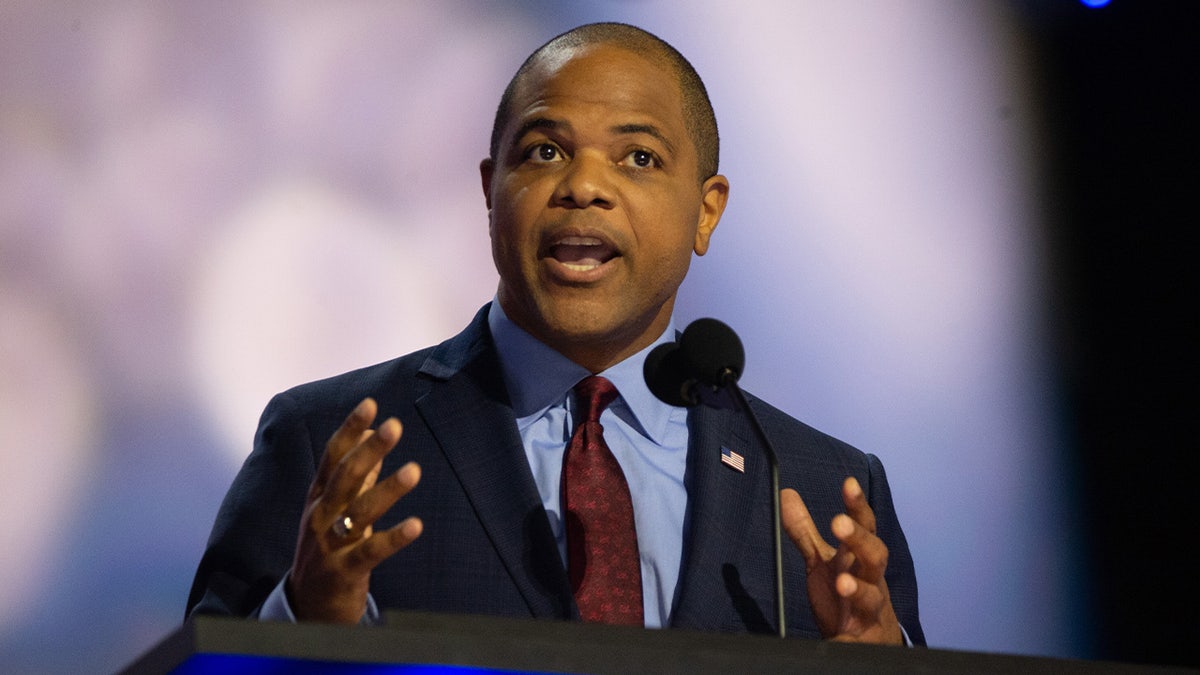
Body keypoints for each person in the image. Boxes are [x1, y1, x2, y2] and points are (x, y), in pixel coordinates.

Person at [187, 22, 925, 646]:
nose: (583, 186)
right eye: (545, 151)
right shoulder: (329, 442)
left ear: (707, 211)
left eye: (638, 157)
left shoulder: (816, 484)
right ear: (489, 190)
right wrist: (307, 617)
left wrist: (880, 662)